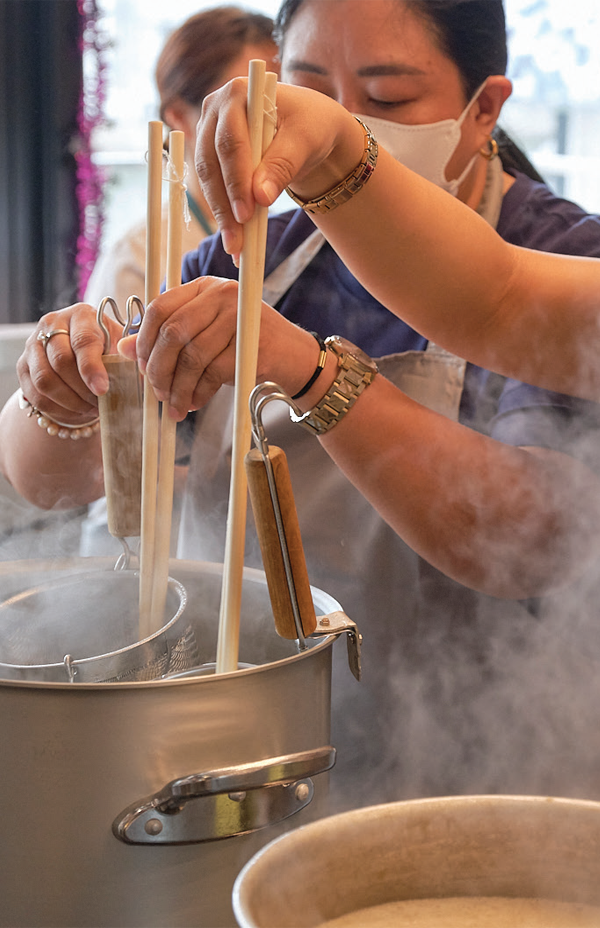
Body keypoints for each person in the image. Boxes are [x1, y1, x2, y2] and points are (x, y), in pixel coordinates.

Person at [4, 0, 600, 809]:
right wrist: (62, 393)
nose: (337, 128)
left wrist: (313, 373)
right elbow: (58, 482)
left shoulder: (555, 256)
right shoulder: (254, 255)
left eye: (385, 101)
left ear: (483, 110)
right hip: (241, 764)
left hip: (467, 776)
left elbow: (532, 535)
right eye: (309, 94)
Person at [84, 5, 279, 309]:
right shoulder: (138, 259)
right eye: (247, 107)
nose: (272, 126)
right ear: (178, 117)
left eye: (281, 103)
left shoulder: (298, 237)